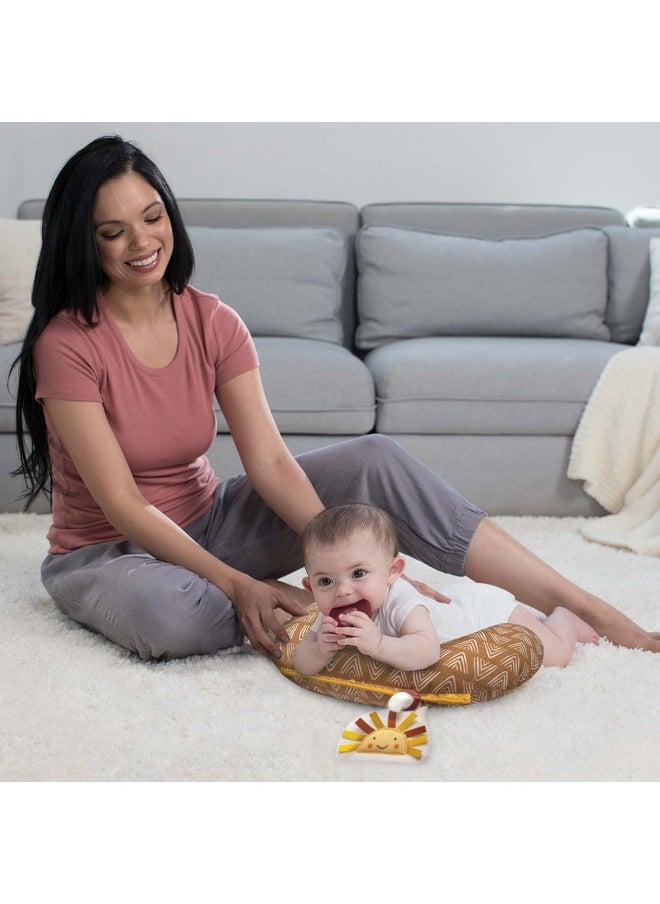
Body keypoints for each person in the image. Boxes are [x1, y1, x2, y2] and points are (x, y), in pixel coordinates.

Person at [11, 135, 660, 664]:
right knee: (173, 617)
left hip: (212, 519)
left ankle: (587, 607)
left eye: (152, 218)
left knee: (373, 460)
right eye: (112, 232)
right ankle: (278, 599)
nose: (142, 242)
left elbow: (266, 465)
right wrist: (240, 586)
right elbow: (123, 506)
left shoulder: (212, 320)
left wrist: (340, 559)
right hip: (111, 555)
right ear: (83, 242)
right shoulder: (67, 342)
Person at [293, 503, 600, 675]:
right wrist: (319, 648)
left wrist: (377, 645)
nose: (343, 591)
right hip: (456, 603)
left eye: (358, 573)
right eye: (326, 582)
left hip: (487, 614)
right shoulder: (331, 615)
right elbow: (301, 663)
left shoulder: (402, 600)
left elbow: (426, 650)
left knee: (557, 655)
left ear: (393, 572)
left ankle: (565, 618)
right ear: (310, 586)